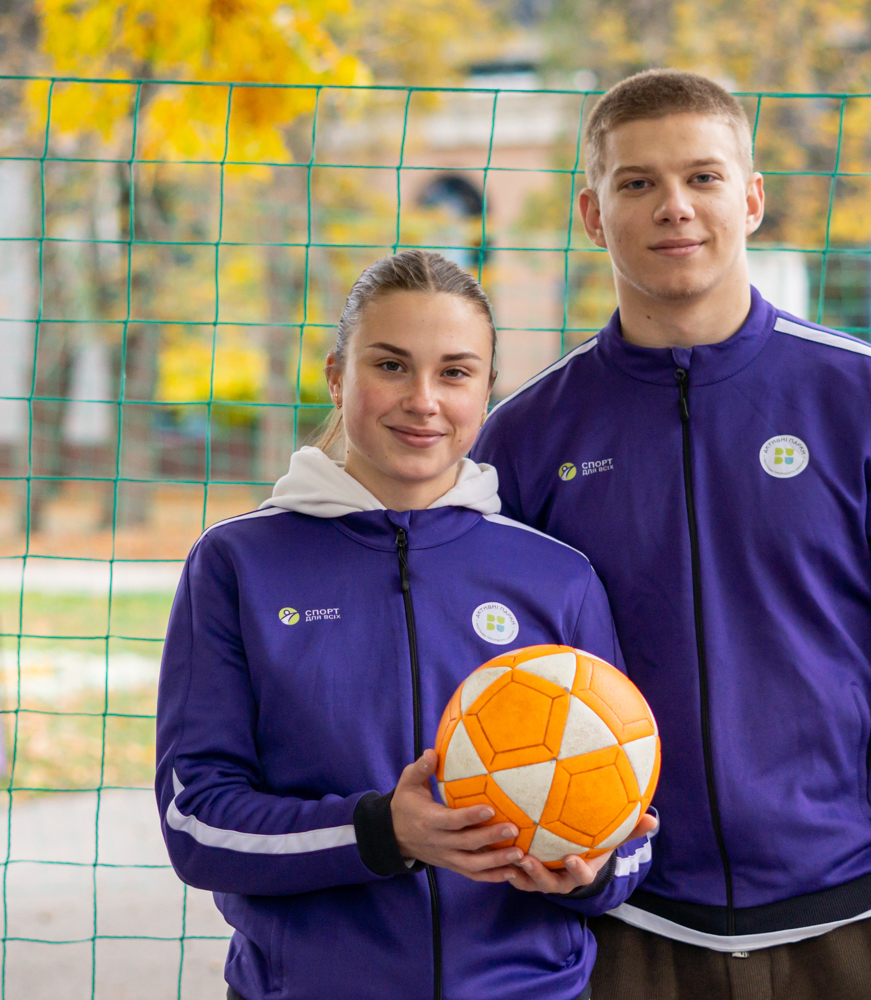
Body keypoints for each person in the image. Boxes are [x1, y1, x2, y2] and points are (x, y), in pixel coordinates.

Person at [471, 70, 871, 999]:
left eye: (702, 177)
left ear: (750, 199)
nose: (674, 206)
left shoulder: (869, 400)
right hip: (631, 923)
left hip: (859, 918)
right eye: (638, 182)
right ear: (592, 215)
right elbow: (488, 680)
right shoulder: (527, 437)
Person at [155, 250, 656, 1000]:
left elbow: (632, 829)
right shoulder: (238, 564)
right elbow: (197, 821)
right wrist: (383, 831)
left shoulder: (557, 575)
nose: (423, 400)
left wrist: (591, 870)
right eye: (391, 365)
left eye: (454, 373)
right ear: (337, 376)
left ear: (486, 390)